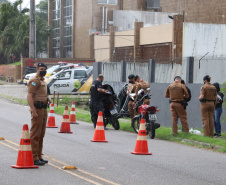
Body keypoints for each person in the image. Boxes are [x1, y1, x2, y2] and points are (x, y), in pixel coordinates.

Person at [27, 62, 51, 166]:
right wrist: (33, 110)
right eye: (41, 68)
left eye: (45, 69)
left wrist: (47, 98)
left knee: (41, 134)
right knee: (35, 133)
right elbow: (29, 96)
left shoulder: (43, 81)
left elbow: (41, 94)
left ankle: (39, 155)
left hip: (44, 109)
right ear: (37, 69)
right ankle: (34, 156)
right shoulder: (34, 81)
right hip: (37, 109)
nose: (43, 70)